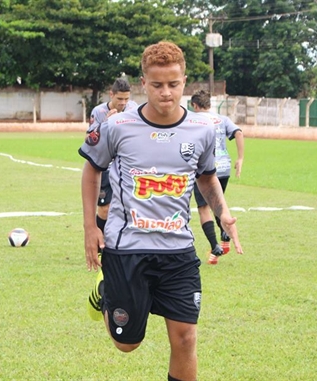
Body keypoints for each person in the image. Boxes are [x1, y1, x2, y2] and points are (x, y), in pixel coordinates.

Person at [79, 41, 243, 381]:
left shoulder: (201, 129)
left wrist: (223, 212)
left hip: (178, 251)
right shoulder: (118, 126)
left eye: (173, 84)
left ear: (184, 81)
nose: (165, 93)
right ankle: (105, 292)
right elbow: (92, 169)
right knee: (128, 344)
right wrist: (89, 227)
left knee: (185, 338)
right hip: (128, 250)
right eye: (157, 85)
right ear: (143, 83)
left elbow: (207, 178)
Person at [86, 78, 138, 321]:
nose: (124, 103)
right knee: (104, 208)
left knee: (123, 207)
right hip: (106, 166)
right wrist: (104, 125)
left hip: (128, 167)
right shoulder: (98, 111)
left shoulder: (135, 108)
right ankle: (100, 245)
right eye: (120, 99)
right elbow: (91, 140)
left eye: (127, 99)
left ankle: (116, 246)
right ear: (111, 94)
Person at [190, 89, 244, 265]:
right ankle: (224, 236)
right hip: (224, 168)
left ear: (195, 105)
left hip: (205, 168)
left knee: (204, 208)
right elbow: (238, 132)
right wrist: (240, 158)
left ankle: (215, 246)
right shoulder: (222, 119)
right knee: (218, 205)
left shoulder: (194, 120)